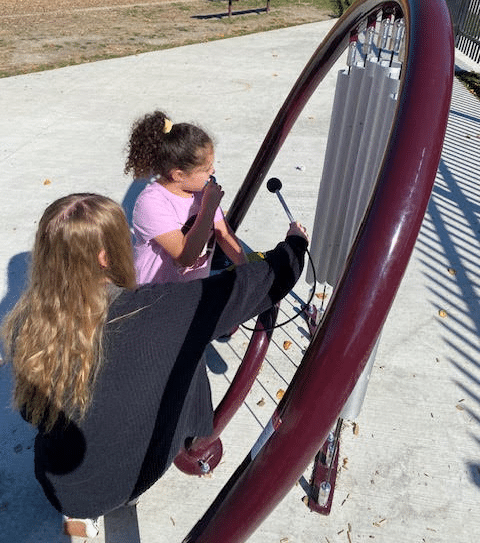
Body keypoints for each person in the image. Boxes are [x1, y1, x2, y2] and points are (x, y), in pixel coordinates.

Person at [1, 193, 308, 537]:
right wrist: (294, 245)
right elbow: (262, 281)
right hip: (142, 473)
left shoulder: (26, 324)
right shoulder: (167, 310)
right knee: (187, 353)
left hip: (65, 489)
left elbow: (32, 414)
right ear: (106, 256)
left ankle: (80, 515)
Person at [124, 110, 247, 285]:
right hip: (153, 296)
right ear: (178, 175)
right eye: (206, 169)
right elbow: (185, 257)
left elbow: (224, 235)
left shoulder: (201, 193)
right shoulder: (151, 204)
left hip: (190, 291)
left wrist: (247, 271)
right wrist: (209, 208)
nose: (212, 171)